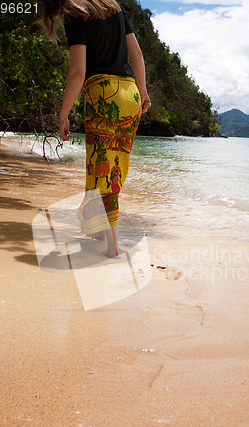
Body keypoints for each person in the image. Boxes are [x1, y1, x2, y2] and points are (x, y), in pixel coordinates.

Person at [41, 0, 151, 257]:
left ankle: (113, 247)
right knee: (115, 168)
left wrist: (63, 113)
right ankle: (101, 231)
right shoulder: (115, 7)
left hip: (103, 96)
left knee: (102, 169)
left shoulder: (75, 13)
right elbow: (137, 55)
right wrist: (143, 92)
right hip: (130, 94)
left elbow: (78, 72)